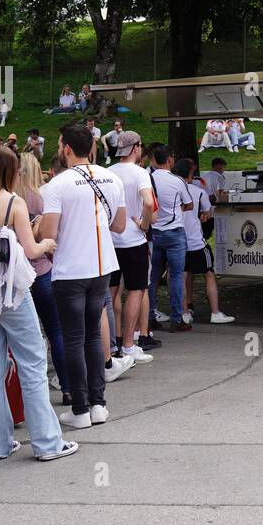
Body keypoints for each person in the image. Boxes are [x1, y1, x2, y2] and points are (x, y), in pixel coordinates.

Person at [0, 145, 78, 463]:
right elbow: (30, 250)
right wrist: (47, 243)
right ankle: (47, 442)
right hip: (8, 289)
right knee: (33, 363)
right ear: (8, 170)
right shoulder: (14, 203)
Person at [40, 124, 128, 430]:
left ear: (66, 148)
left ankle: (79, 408)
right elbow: (119, 226)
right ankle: (98, 404)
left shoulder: (57, 185)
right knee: (92, 334)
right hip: (102, 266)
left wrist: (36, 227)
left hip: (70, 270)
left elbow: (49, 234)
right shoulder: (112, 178)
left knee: (74, 338)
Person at [17, 153, 71, 403]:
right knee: (56, 330)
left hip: (15, 274)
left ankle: (20, 393)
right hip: (40, 270)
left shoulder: (7, 197)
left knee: (19, 337)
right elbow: (49, 236)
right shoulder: (40, 198)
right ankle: (68, 386)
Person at [107, 132, 155, 363]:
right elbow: (148, 202)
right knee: (136, 290)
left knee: (110, 292)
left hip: (110, 239)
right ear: (136, 148)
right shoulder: (140, 173)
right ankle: (128, 345)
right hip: (133, 241)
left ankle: (108, 347)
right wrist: (144, 225)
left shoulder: (108, 172)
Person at [173, 159, 235, 324]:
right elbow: (208, 212)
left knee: (182, 275)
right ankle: (215, 312)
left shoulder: (169, 191)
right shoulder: (197, 191)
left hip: (178, 241)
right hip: (196, 242)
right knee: (209, 274)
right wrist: (202, 215)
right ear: (191, 173)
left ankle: (185, 312)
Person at [147, 145, 193, 332]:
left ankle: (149, 316)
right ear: (170, 160)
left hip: (154, 233)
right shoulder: (177, 181)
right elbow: (189, 204)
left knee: (153, 276)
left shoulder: (147, 179)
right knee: (175, 276)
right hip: (174, 233)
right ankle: (176, 318)